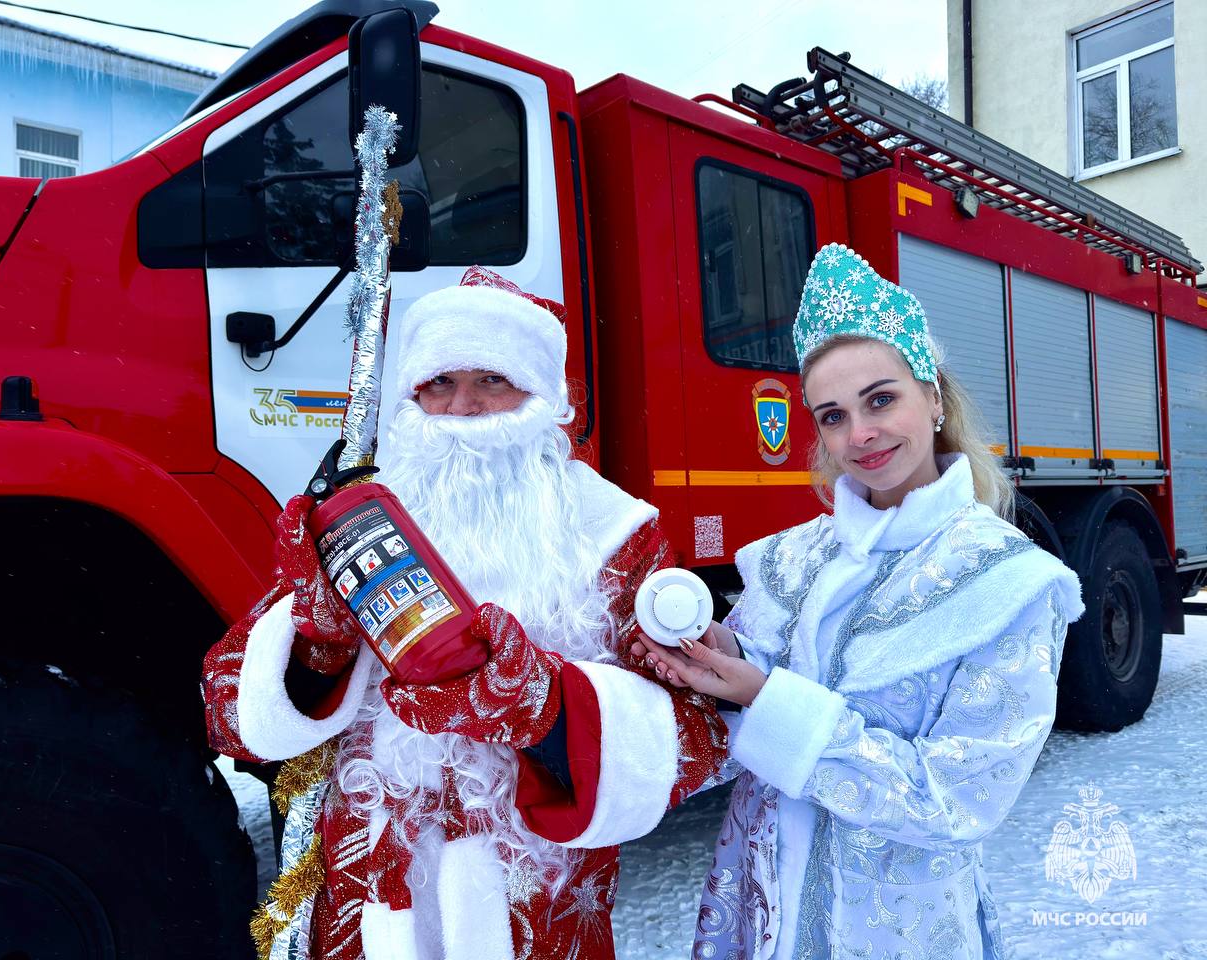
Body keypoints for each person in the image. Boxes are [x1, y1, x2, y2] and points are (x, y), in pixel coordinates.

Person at [202, 267, 727, 960]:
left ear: (541, 396)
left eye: (492, 381)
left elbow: (697, 734)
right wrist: (318, 638)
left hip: (538, 907)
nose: (463, 408)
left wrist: (546, 709)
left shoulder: (616, 531)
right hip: (374, 900)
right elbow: (229, 711)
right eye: (439, 384)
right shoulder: (364, 525)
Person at [635, 243, 1084, 960]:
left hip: (894, 931)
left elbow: (958, 798)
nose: (861, 434)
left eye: (881, 399)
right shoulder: (791, 557)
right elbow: (749, 697)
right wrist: (725, 661)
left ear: (932, 396)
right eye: (833, 415)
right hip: (761, 913)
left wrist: (767, 696)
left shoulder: (1007, 582)